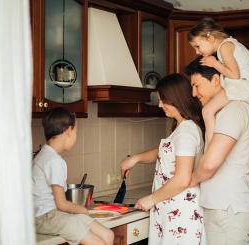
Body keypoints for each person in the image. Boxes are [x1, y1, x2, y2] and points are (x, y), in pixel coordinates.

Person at [120, 73, 206, 245]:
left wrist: (151, 199)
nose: (160, 105)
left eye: (164, 100)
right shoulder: (182, 127)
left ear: (177, 98)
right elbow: (164, 152)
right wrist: (135, 159)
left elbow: (182, 179)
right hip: (173, 209)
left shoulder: (187, 131)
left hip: (181, 213)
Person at [185, 57, 249, 245]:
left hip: (229, 210)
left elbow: (210, 164)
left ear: (216, 80)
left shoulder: (235, 109)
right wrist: (208, 113)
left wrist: (189, 180)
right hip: (221, 206)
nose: (193, 93)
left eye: (196, 85)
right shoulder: (222, 111)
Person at [32, 107, 114, 245]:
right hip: (45, 218)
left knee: (108, 235)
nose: (76, 135)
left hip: (52, 215)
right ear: (68, 131)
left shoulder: (45, 155)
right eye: (76, 132)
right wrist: (82, 209)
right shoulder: (54, 161)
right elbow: (62, 204)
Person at [188, 17, 249, 147]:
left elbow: (234, 75)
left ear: (210, 38)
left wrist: (215, 63)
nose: (197, 52)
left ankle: (209, 149)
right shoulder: (229, 45)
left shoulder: (225, 47)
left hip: (241, 87)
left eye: (198, 46)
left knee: (207, 111)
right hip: (246, 88)